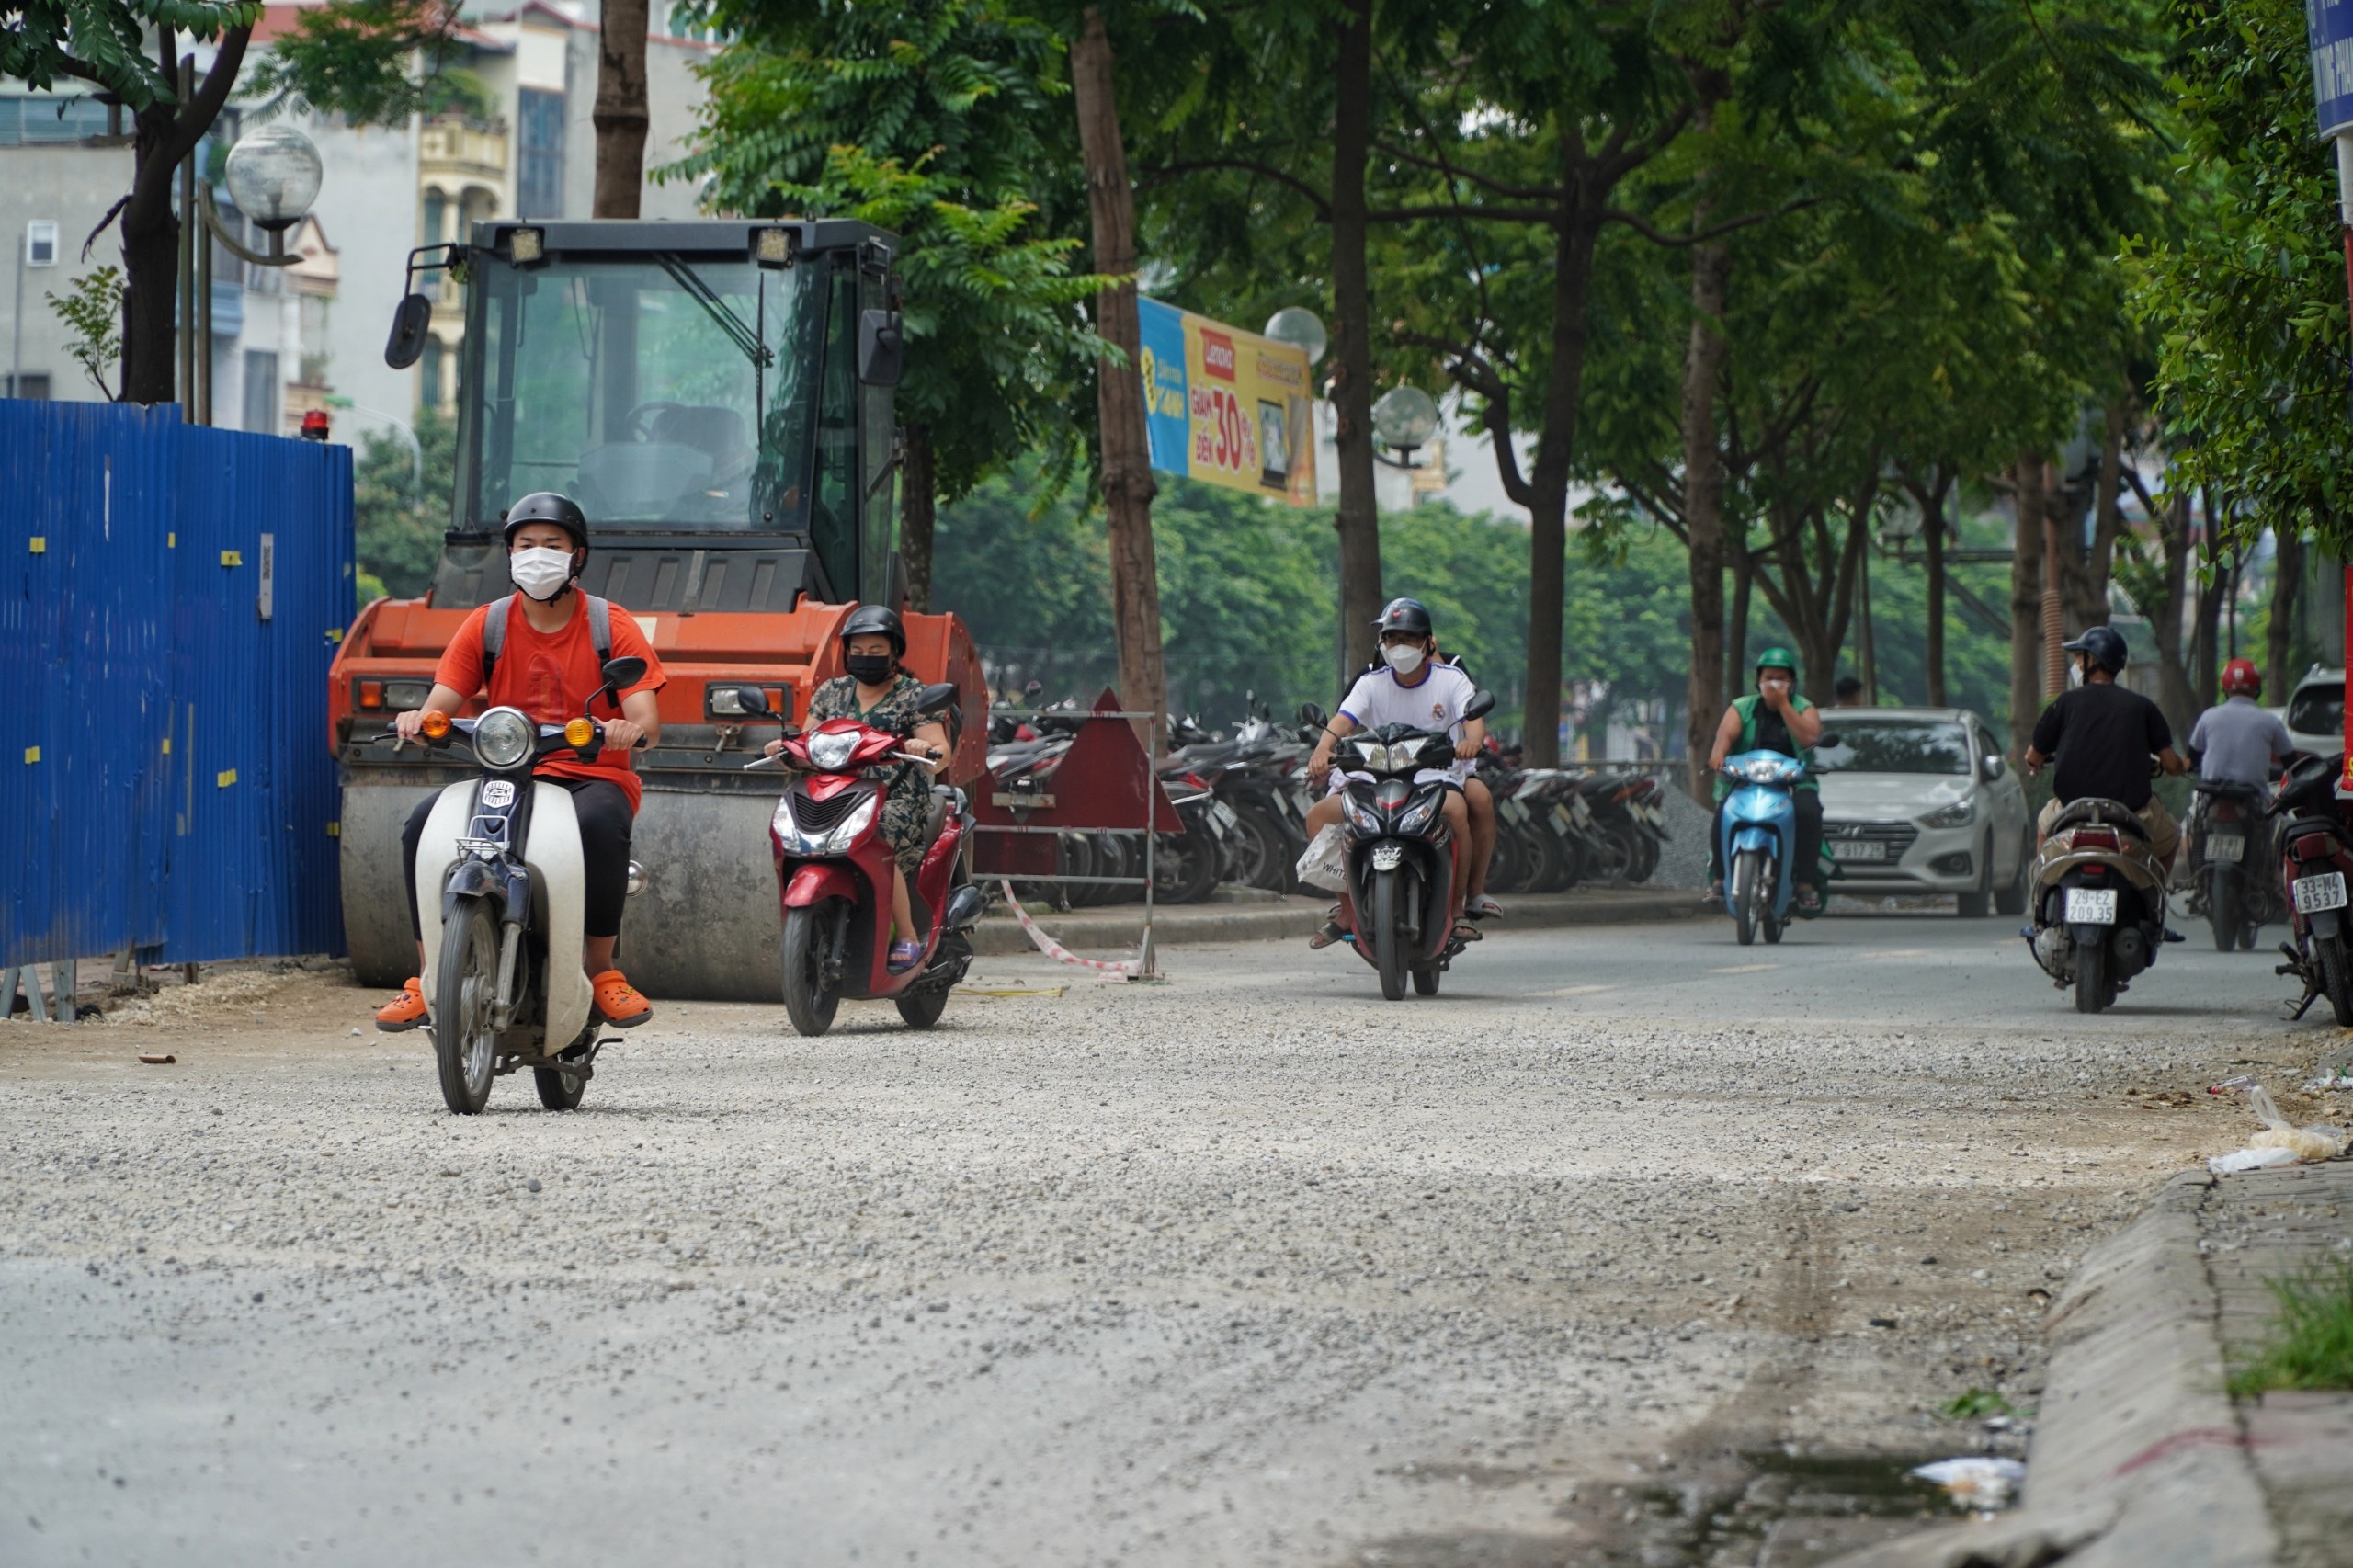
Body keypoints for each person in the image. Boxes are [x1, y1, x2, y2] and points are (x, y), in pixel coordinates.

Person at [376, 492, 665, 1032]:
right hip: (505, 776)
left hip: (590, 774)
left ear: (577, 556)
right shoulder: (486, 624)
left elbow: (646, 720)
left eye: (552, 544)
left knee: (600, 825)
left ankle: (602, 972)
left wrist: (627, 730)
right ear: (509, 554)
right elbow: (442, 704)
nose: (537, 554)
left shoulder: (611, 623)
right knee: (420, 824)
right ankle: (425, 975)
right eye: (525, 544)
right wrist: (418, 721)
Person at [766, 605, 951, 969]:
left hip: (894, 795)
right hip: (834, 792)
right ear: (847, 652)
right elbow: (808, 741)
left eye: (876, 652)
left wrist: (922, 747)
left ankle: (908, 935)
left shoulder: (914, 695)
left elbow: (940, 751)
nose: (866, 659)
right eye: (858, 651)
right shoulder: (830, 693)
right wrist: (783, 749)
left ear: (895, 653)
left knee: (876, 839)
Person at [1302, 597, 1492, 949]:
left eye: (1407, 638)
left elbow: (1473, 722)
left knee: (1456, 809)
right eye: (1391, 639)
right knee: (1318, 817)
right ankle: (1347, 910)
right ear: (1382, 644)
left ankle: (1456, 909)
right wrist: (1322, 749)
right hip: (1372, 778)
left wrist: (1471, 742)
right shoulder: (1371, 683)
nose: (1398, 646)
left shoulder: (1451, 680)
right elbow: (1342, 722)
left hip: (1433, 778)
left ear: (1426, 642)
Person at [2023, 625, 2187, 870]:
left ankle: (2042, 894)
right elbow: (2172, 765)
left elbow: (2034, 756)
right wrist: (2183, 765)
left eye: (2079, 657)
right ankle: (2156, 897)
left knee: (2043, 826)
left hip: (2070, 811)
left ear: (2093, 661)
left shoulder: (2065, 703)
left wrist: (2034, 763)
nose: (2076, 664)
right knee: (2172, 836)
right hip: (2133, 815)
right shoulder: (2142, 707)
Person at [1704, 647, 1826, 912]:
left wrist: (1783, 706)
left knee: (1808, 812)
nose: (1774, 684)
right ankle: (1720, 877)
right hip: (1746, 779)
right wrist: (1718, 756)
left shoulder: (1804, 708)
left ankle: (1806, 883)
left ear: (1792, 682)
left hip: (1792, 781)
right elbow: (1723, 738)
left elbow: (1809, 738)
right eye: (1768, 677)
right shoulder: (1742, 706)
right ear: (1758, 680)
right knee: (1725, 811)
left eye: (1781, 679)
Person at [2189, 659, 2292, 789]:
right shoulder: (2270, 721)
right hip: (2253, 799)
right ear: (2256, 689)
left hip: (2212, 798)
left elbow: (2192, 758)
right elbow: (2291, 762)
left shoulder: (2208, 716)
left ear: (2225, 689)